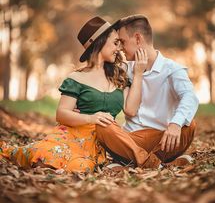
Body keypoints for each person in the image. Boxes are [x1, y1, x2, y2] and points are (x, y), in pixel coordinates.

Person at [0, 16, 148, 173]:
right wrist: (90, 118)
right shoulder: (76, 78)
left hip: (98, 142)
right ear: (100, 43)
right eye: (115, 43)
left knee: (80, 167)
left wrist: (138, 74)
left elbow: (130, 110)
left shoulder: (119, 77)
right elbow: (61, 114)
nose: (118, 48)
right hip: (70, 136)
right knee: (44, 155)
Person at [96, 14, 199, 169]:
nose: (120, 48)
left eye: (122, 42)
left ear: (138, 39)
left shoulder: (172, 69)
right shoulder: (124, 69)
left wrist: (175, 124)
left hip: (164, 140)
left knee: (188, 125)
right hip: (131, 140)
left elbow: (190, 96)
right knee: (102, 126)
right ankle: (155, 163)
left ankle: (132, 162)